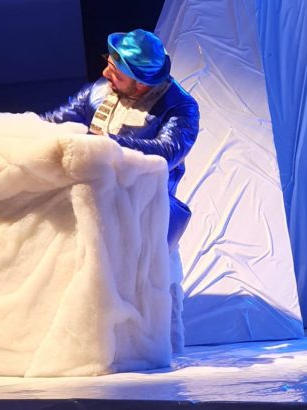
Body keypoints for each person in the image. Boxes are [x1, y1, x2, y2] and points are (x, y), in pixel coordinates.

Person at [42, 29, 200, 352]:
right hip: (98, 216)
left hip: (148, 218)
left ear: (140, 83)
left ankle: (165, 360)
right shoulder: (98, 93)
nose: (105, 73)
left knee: (159, 291)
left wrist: (100, 145)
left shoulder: (180, 108)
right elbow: (54, 124)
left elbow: (165, 152)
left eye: (115, 71)